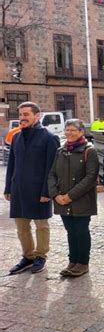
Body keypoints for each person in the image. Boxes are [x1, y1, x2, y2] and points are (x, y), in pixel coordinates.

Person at [4, 101, 59, 274]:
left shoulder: (49, 138)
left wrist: (47, 192)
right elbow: (11, 164)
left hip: (39, 191)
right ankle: (28, 257)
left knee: (41, 225)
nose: (22, 118)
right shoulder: (17, 137)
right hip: (18, 189)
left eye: (26, 115)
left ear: (37, 116)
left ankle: (40, 256)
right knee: (22, 227)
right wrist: (8, 188)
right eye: (20, 115)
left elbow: (53, 168)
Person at [48, 119, 100, 277]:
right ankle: (73, 261)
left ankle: (83, 263)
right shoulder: (60, 150)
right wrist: (55, 195)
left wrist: (70, 196)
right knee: (70, 231)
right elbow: (52, 174)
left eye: (73, 130)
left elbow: (91, 177)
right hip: (62, 200)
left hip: (81, 200)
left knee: (81, 231)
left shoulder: (89, 151)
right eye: (67, 130)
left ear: (81, 132)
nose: (69, 133)